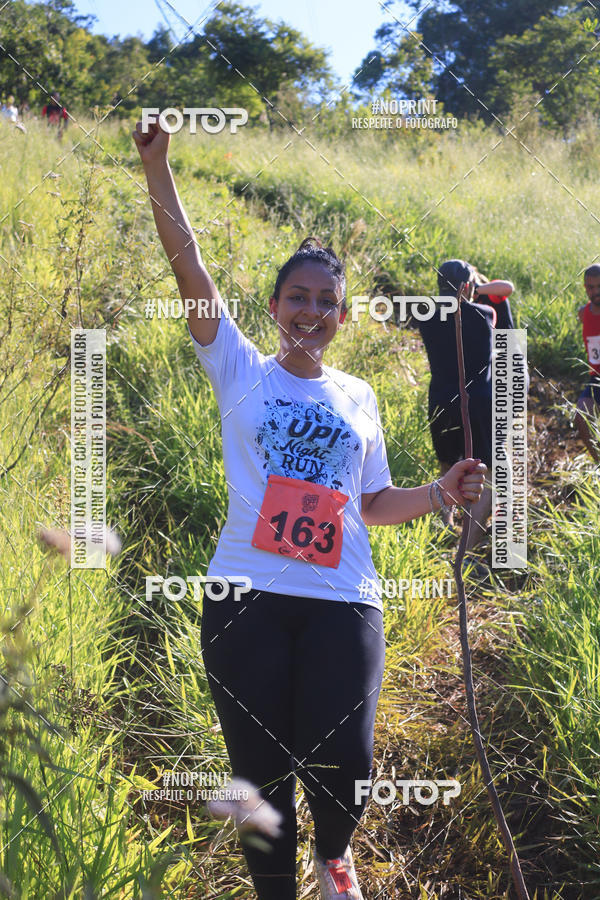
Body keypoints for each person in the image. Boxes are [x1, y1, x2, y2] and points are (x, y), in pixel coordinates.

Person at [132, 118, 486, 900]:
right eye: (298, 297)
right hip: (245, 598)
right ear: (273, 305)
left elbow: (372, 501)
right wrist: (158, 167)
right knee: (259, 772)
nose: (311, 311)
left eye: (327, 302)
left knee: (347, 760)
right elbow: (185, 264)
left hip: (342, 598)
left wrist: (442, 492)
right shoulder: (238, 367)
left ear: (342, 316)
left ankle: (334, 859)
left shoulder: (357, 396)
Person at [418, 260, 511, 551]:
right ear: (469, 286)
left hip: (441, 400)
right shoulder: (486, 313)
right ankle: (466, 549)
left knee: (447, 465)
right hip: (478, 403)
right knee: (485, 472)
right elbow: (502, 294)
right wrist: (473, 290)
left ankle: (444, 524)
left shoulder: (425, 315)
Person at [574, 263, 600, 462]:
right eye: (591, 287)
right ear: (585, 288)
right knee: (581, 415)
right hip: (596, 378)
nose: (596, 291)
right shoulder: (584, 313)